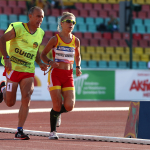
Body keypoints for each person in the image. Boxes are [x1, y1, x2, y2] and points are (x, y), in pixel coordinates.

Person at [0, 6, 48, 140]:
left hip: (28, 70)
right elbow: (2, 39)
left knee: (27, 96)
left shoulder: (41, 33)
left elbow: (35, 50)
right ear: (30, 16)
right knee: (10, 103)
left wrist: (40, 63)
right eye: (38, 16)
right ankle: (3, 88)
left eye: (42, 17)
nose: (40, 19)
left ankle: (19, 130)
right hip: (13, 69)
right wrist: (6, 57)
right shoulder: (19, 28)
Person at [40, 12, 82, 139]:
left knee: (69, 106)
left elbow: (78, 56)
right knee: (57, 104)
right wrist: (50, 61)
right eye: (68, 22)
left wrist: (78, 66)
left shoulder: (76, 40)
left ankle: (57, 113)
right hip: (56, 74)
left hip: (68, 75)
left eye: (73, 22)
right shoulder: (55, 39)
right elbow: (43, 55)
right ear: (61, 23)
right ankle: (53, 132)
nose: (71, 24)